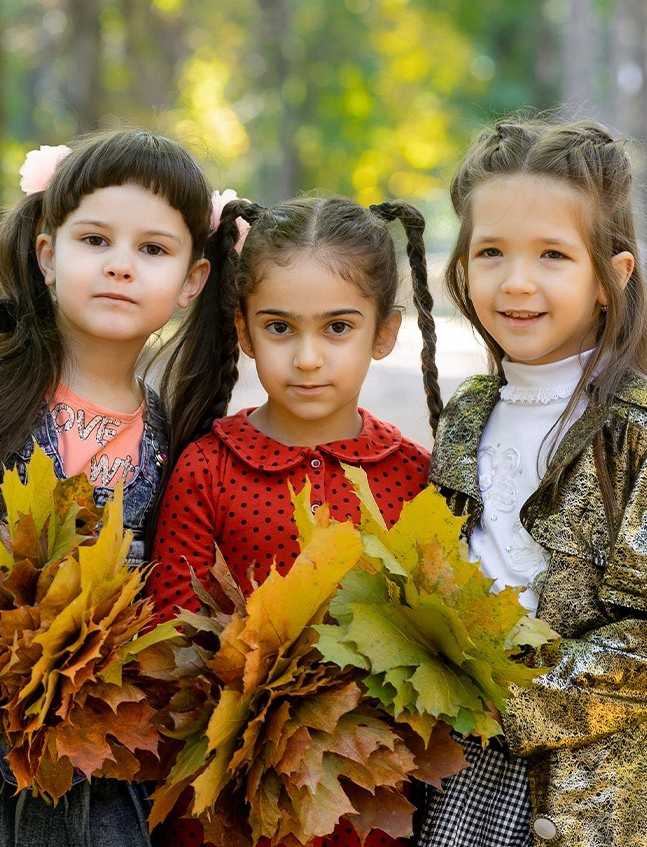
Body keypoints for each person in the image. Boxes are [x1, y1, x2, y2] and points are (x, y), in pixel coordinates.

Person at [0, 129, 241, 847]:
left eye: (153, 250)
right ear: (47, 254)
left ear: (193, 280)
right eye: (94, 240)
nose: (120, 265)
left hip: (90, 769)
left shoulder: (171, 433)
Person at [412, 117, 647, 847]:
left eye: (552, 254)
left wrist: (511, 698)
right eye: (490, 252)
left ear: (611, 278)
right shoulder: (467, 414)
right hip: (459, 768)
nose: (516, 280)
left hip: (595, 791)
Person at [147, 194, 442, 847]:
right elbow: (171, 638)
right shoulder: (209, 467)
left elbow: (433, 641)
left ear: (384, 333)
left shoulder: (412, 476)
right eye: (280, 327)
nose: (307, 357)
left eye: (337, 328)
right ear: (244, 331)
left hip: (367, 795)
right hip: (228, 795)